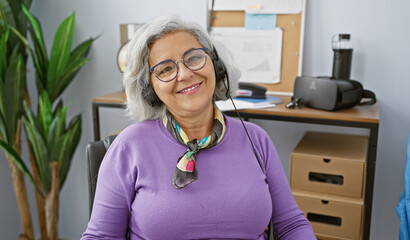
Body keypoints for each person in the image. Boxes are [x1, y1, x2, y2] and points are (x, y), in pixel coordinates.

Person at [82, 14, 315, 240]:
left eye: (193, 58)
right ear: (150, 90)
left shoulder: (257, 139)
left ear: (215, 66)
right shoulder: (129, 147)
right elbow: (101, 236)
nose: (184, 74)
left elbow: (292, 225)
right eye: (165, 69)